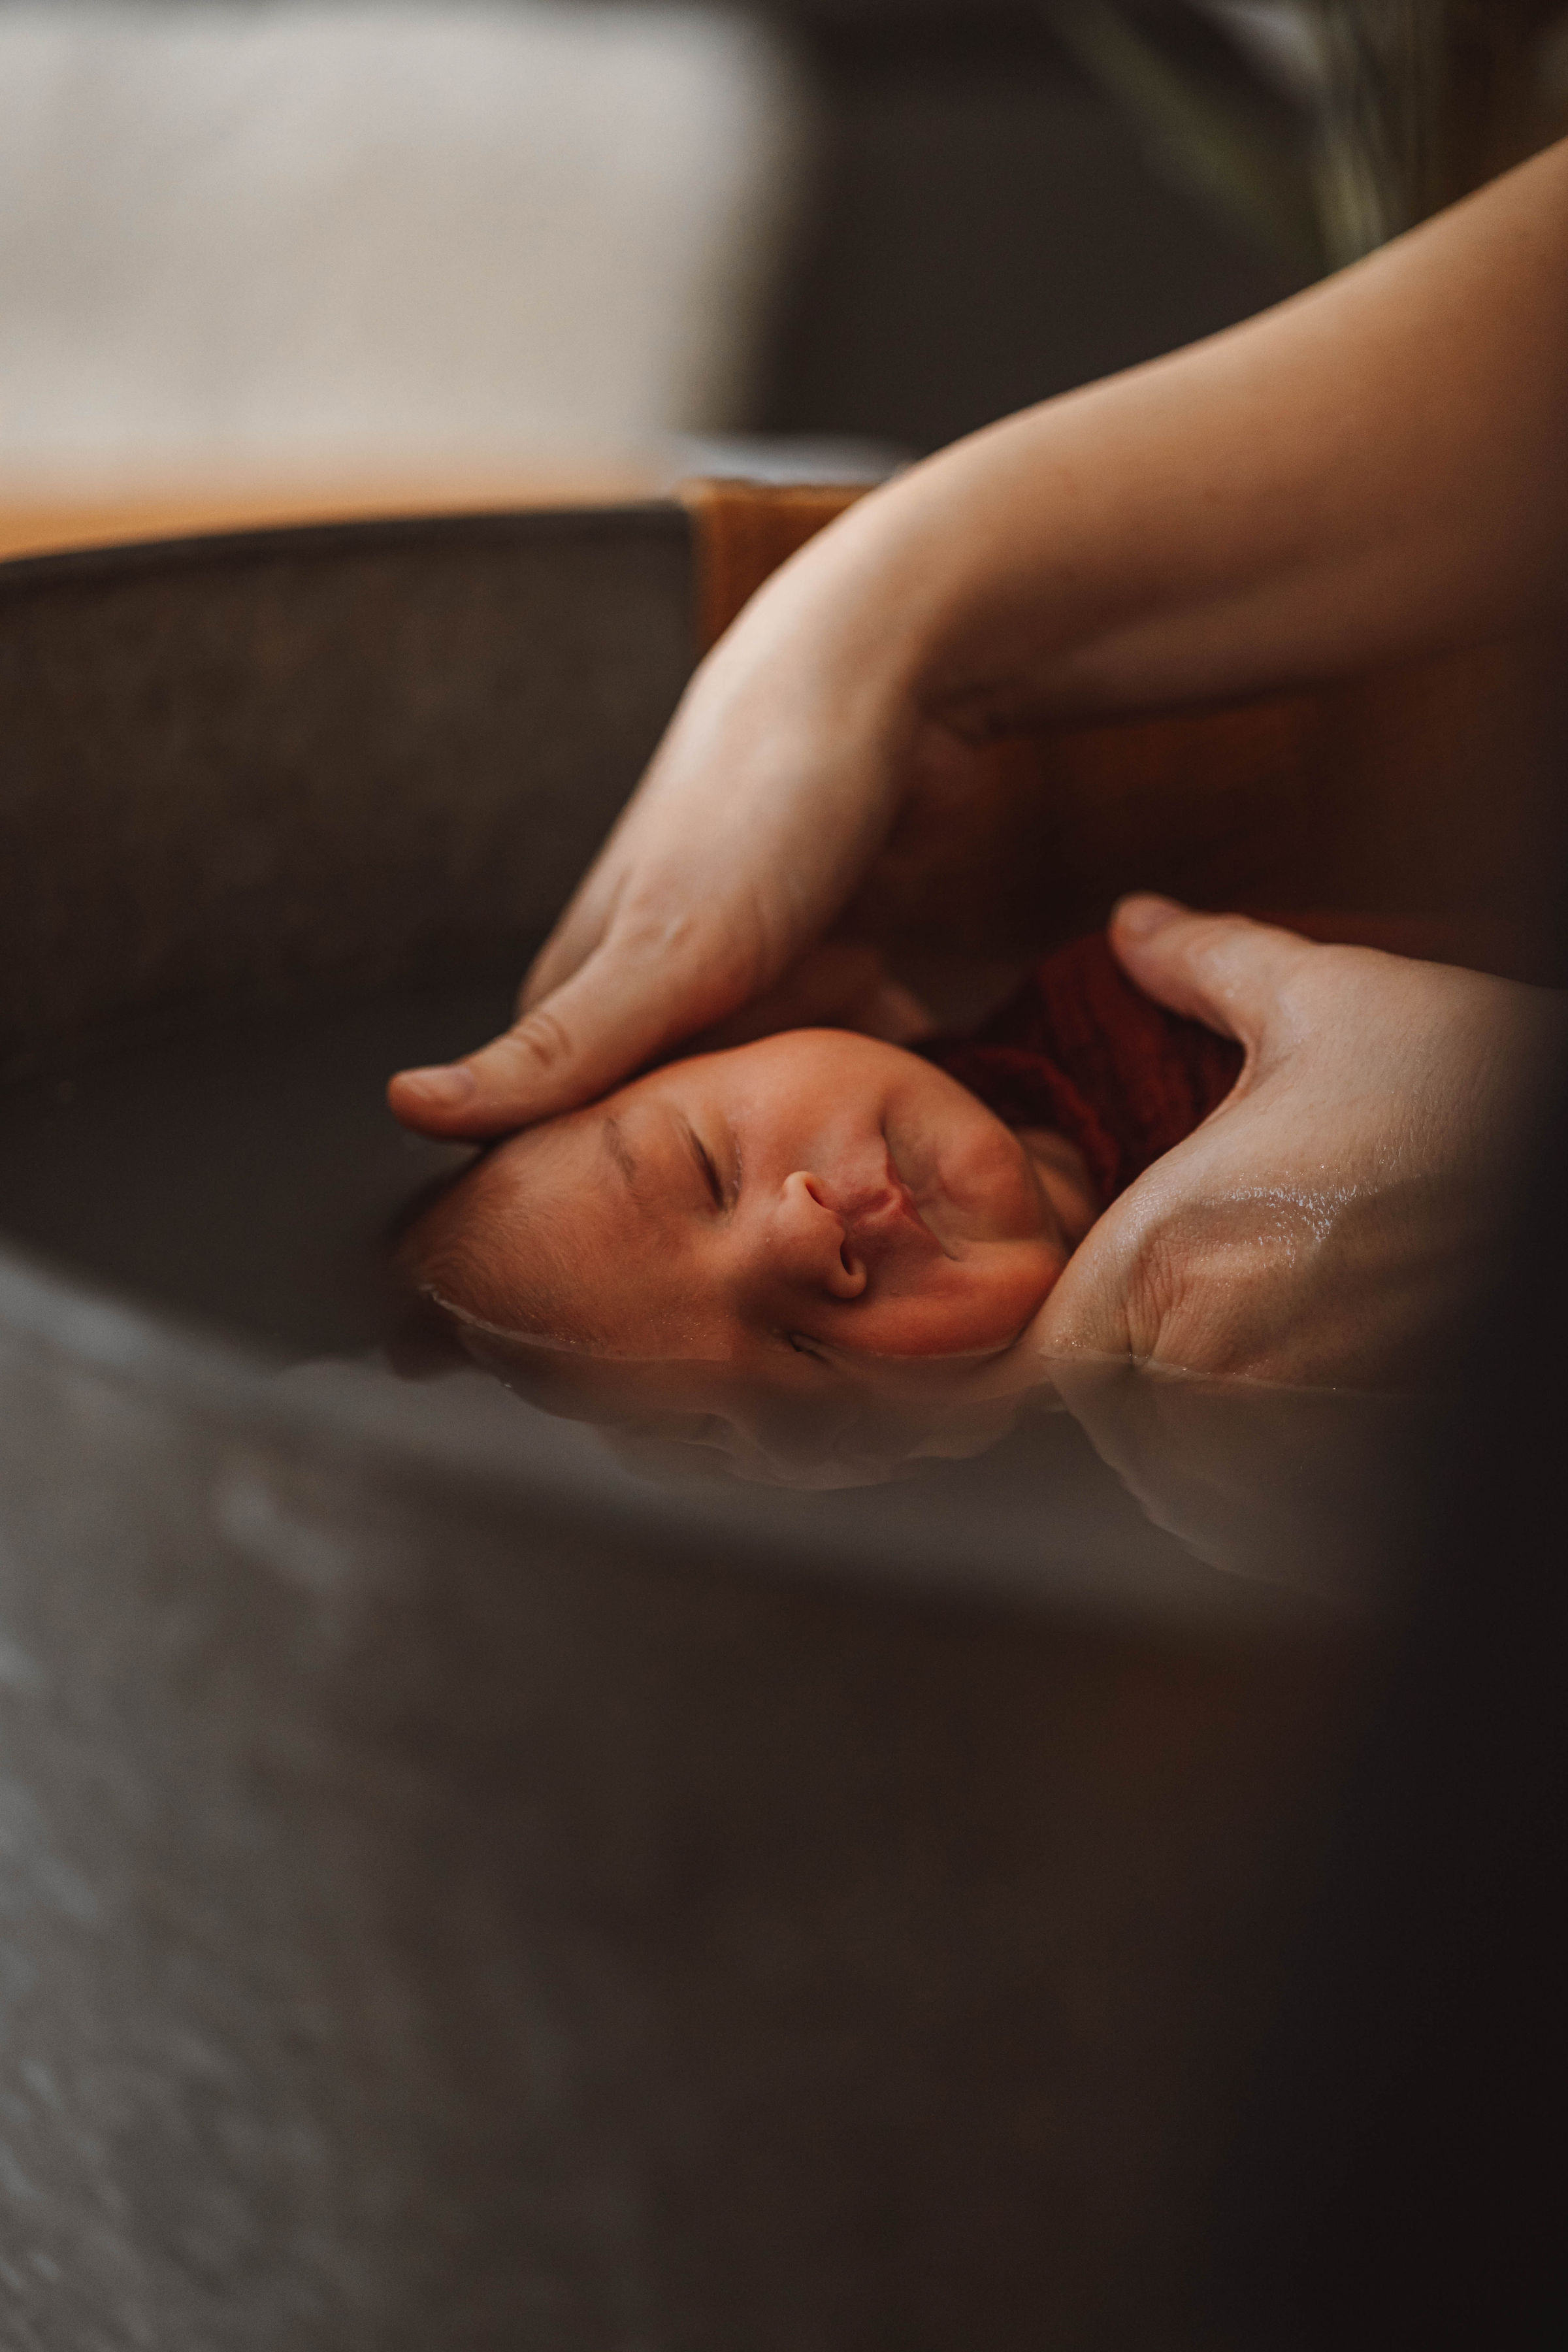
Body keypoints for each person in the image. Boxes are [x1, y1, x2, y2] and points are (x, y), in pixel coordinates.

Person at [389, 135, 1568, 1384]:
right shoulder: (1217, 1424)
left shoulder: (1083, 1005)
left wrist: (853, 623)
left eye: (705, 1166)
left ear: (715, 1040)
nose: (802, 1235)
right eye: (793, 1359)